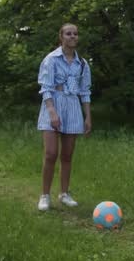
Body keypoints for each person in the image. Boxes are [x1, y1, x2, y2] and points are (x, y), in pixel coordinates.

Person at [36, 23, 92, 211]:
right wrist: (52, 112)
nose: (72, 36)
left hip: (73, 107)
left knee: (67, 155)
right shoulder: (51, 60)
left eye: (75, 34)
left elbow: (85, 91)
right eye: (68, 33)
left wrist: (88, 117)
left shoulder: (82, 64)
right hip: (53, 105)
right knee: (51, 153)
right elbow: (46, 88)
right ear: (61, 37)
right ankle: (45, 196)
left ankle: (64, 193)